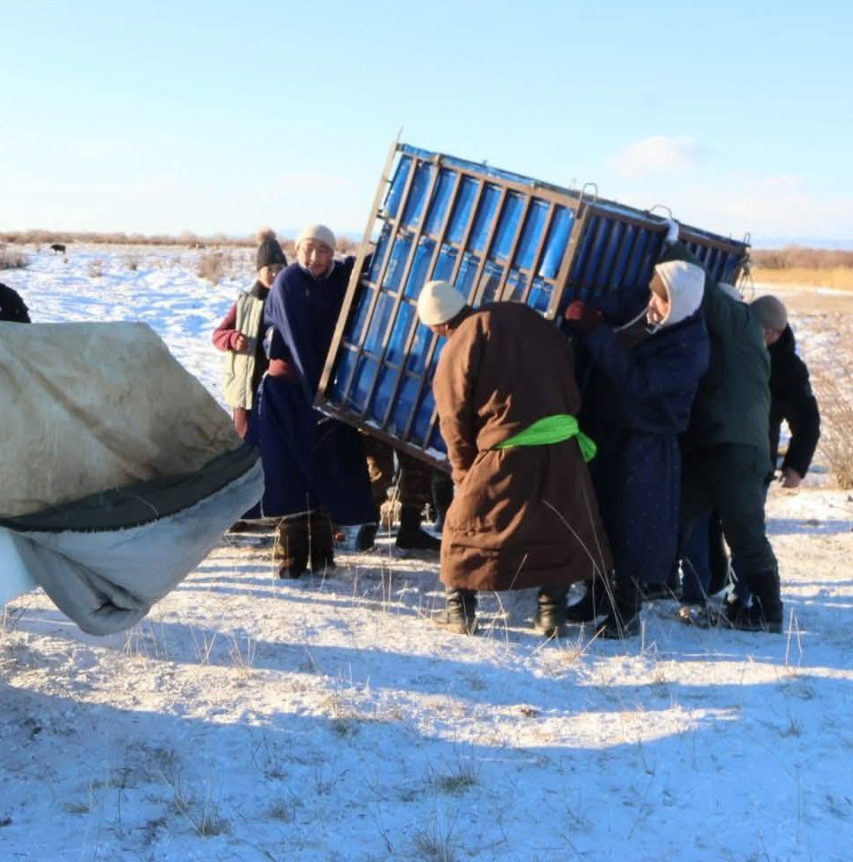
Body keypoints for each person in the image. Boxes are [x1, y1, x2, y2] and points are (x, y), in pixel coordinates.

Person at [418, 279, 611, 638]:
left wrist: (464, 471)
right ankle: (552, 615)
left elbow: (453, 418)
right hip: (563, 445)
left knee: (463, 527)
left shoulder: (460, 343)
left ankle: (459, 612)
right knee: (558, 526)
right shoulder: (525, 316)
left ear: (437, 325)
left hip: (507, 449)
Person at [563, 262, 709, 638]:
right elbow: (611, 305)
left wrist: (596, 332)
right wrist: (587, 312)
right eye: (653, 296)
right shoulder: (644, 303)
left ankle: (626, 611)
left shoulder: (691, 346)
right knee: (597, 514)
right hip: (607, 428)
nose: (653, 305)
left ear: (681, 304)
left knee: (635, 525)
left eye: (663, 301)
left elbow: (638, 382)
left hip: (648, 440)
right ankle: (596, 595)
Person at [664, 237, 784, 632]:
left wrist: (674, 246)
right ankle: (654, 583)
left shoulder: (740, 324)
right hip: (717, 447)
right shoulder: (740, 346)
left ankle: (769, 611)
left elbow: (707, 291)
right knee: (675, 513)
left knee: (744, 531)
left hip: (735, 450)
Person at [256, 224, 374, 577]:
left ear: (332, 253)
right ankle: (291, 555)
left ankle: (323, 553)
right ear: (296, 251)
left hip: (323, 392)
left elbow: (355, 272)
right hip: (290, 391)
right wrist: (319, 400)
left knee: (326, 468)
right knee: (289, 472)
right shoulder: (289, 283)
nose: (313, 257)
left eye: (322, 250)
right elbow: (300, 343)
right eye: (307, 249)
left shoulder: (336, 279)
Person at [212, 229, 287, 440]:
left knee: (273, 440)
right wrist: (233, 338)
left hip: (277, 385)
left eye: (280, 268)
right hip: (247, 386)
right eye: (269, 269)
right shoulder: (245, 303)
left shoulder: (289, 301)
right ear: (258, 272)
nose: (275, 274)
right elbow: (218, 335)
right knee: (245, 440)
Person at [750, 295, 821, 489]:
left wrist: (795, 466)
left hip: (756, 466)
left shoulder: (788, 370)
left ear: (774, 334)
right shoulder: (731, 351)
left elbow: (807, 420)